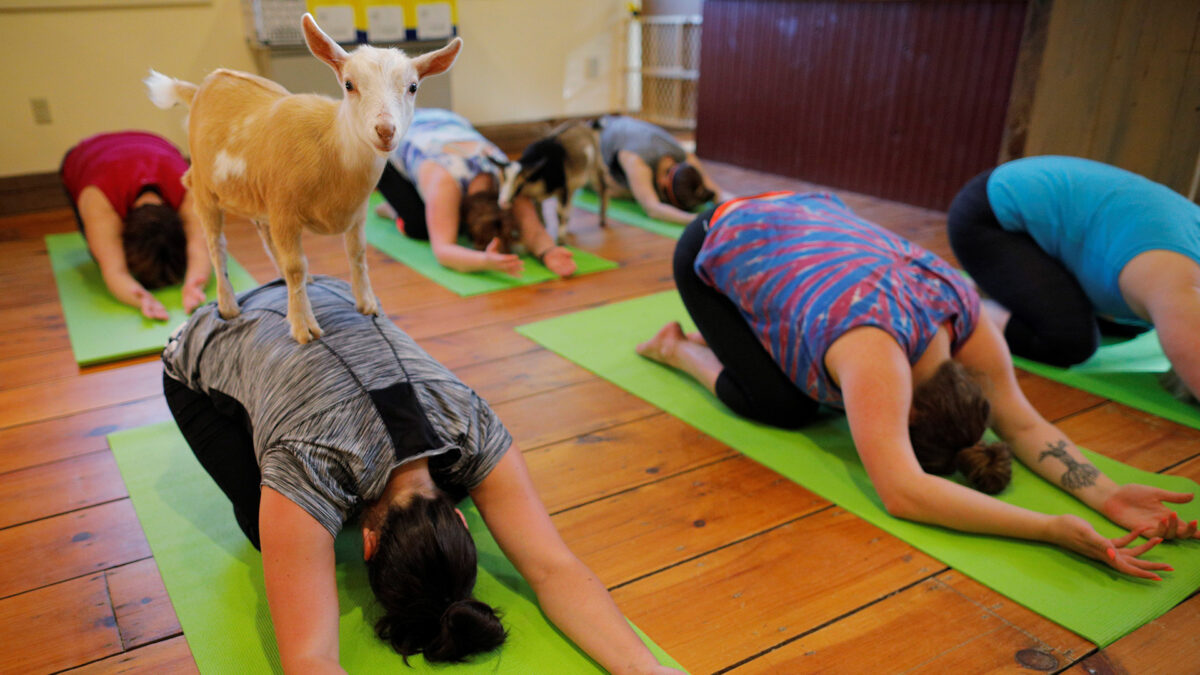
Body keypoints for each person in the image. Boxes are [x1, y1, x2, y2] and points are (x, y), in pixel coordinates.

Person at [637, 191, 1198, 580]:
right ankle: (678, 348)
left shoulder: (965, 322)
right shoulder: (871, 349)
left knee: (808, 379)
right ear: (903, 409)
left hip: (804, 224)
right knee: (784, 406)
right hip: (718, 236)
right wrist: (1049, 528)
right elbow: (903, 492)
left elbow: (1022, 423)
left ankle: (737, 336)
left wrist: (1107, 494)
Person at [162, 276, 678, 674]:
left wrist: (644, 667)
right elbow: (309, 661)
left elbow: (554, 570)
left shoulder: (471, 423)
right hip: (219, 329)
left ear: (456, 515)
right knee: (264, 526)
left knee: (303, 523)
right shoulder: (306, 464)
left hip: (334, 293)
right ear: (367, 544)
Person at [947, 155, 1200, 404]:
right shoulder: (1177, 283)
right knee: (1067, 341)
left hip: (1049, 207)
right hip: (993, 217)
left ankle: (1000, 291)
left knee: (1133, 321)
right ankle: (959, 304)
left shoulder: (1174, 280)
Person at [375, 108, 576, 278]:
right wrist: (484, 261)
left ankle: (422, 207)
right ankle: (394, 210)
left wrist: (549, 252)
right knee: (420, 227)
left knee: (440, 218)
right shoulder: (445, 183)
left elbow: (533, 229)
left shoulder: (508, 179)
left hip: (444, 122)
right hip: (385, 140)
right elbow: (443, 251)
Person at [60, 130, 209, 320]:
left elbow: (200, 249)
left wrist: (193, 285)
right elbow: (114, 270)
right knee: (101, 252)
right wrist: (141, 299)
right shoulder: (98, 199)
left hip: (152, 142)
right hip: (87, 155)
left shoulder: (190, 188)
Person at [597, 114, 733, 225]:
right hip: (596, 135)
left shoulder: (684, 157)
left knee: (638, 190)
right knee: (619, 190)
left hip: (624, 124)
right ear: (663, 183)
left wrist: (742, 208)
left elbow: (717, 192)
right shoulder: (638, 163)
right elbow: (653, 209)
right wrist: (696, 219)